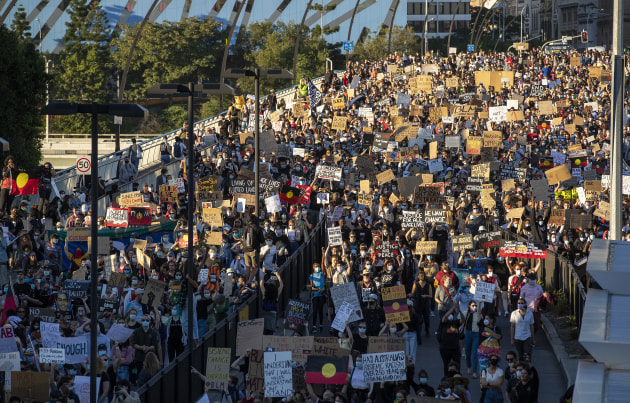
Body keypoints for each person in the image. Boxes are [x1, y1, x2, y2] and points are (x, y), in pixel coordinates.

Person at [510, 297, 535, 362]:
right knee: (520, 355)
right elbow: (512, 327)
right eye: (519, 303)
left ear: (525, 304)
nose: (520, 304)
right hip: (518, 337)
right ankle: (521, 369)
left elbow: (531, 326)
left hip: (527, 336)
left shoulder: (530, 313)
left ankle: (528, 369)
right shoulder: (514, 313)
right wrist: (512, 339)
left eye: (522, 303)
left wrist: (532, 338)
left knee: (527, 354)